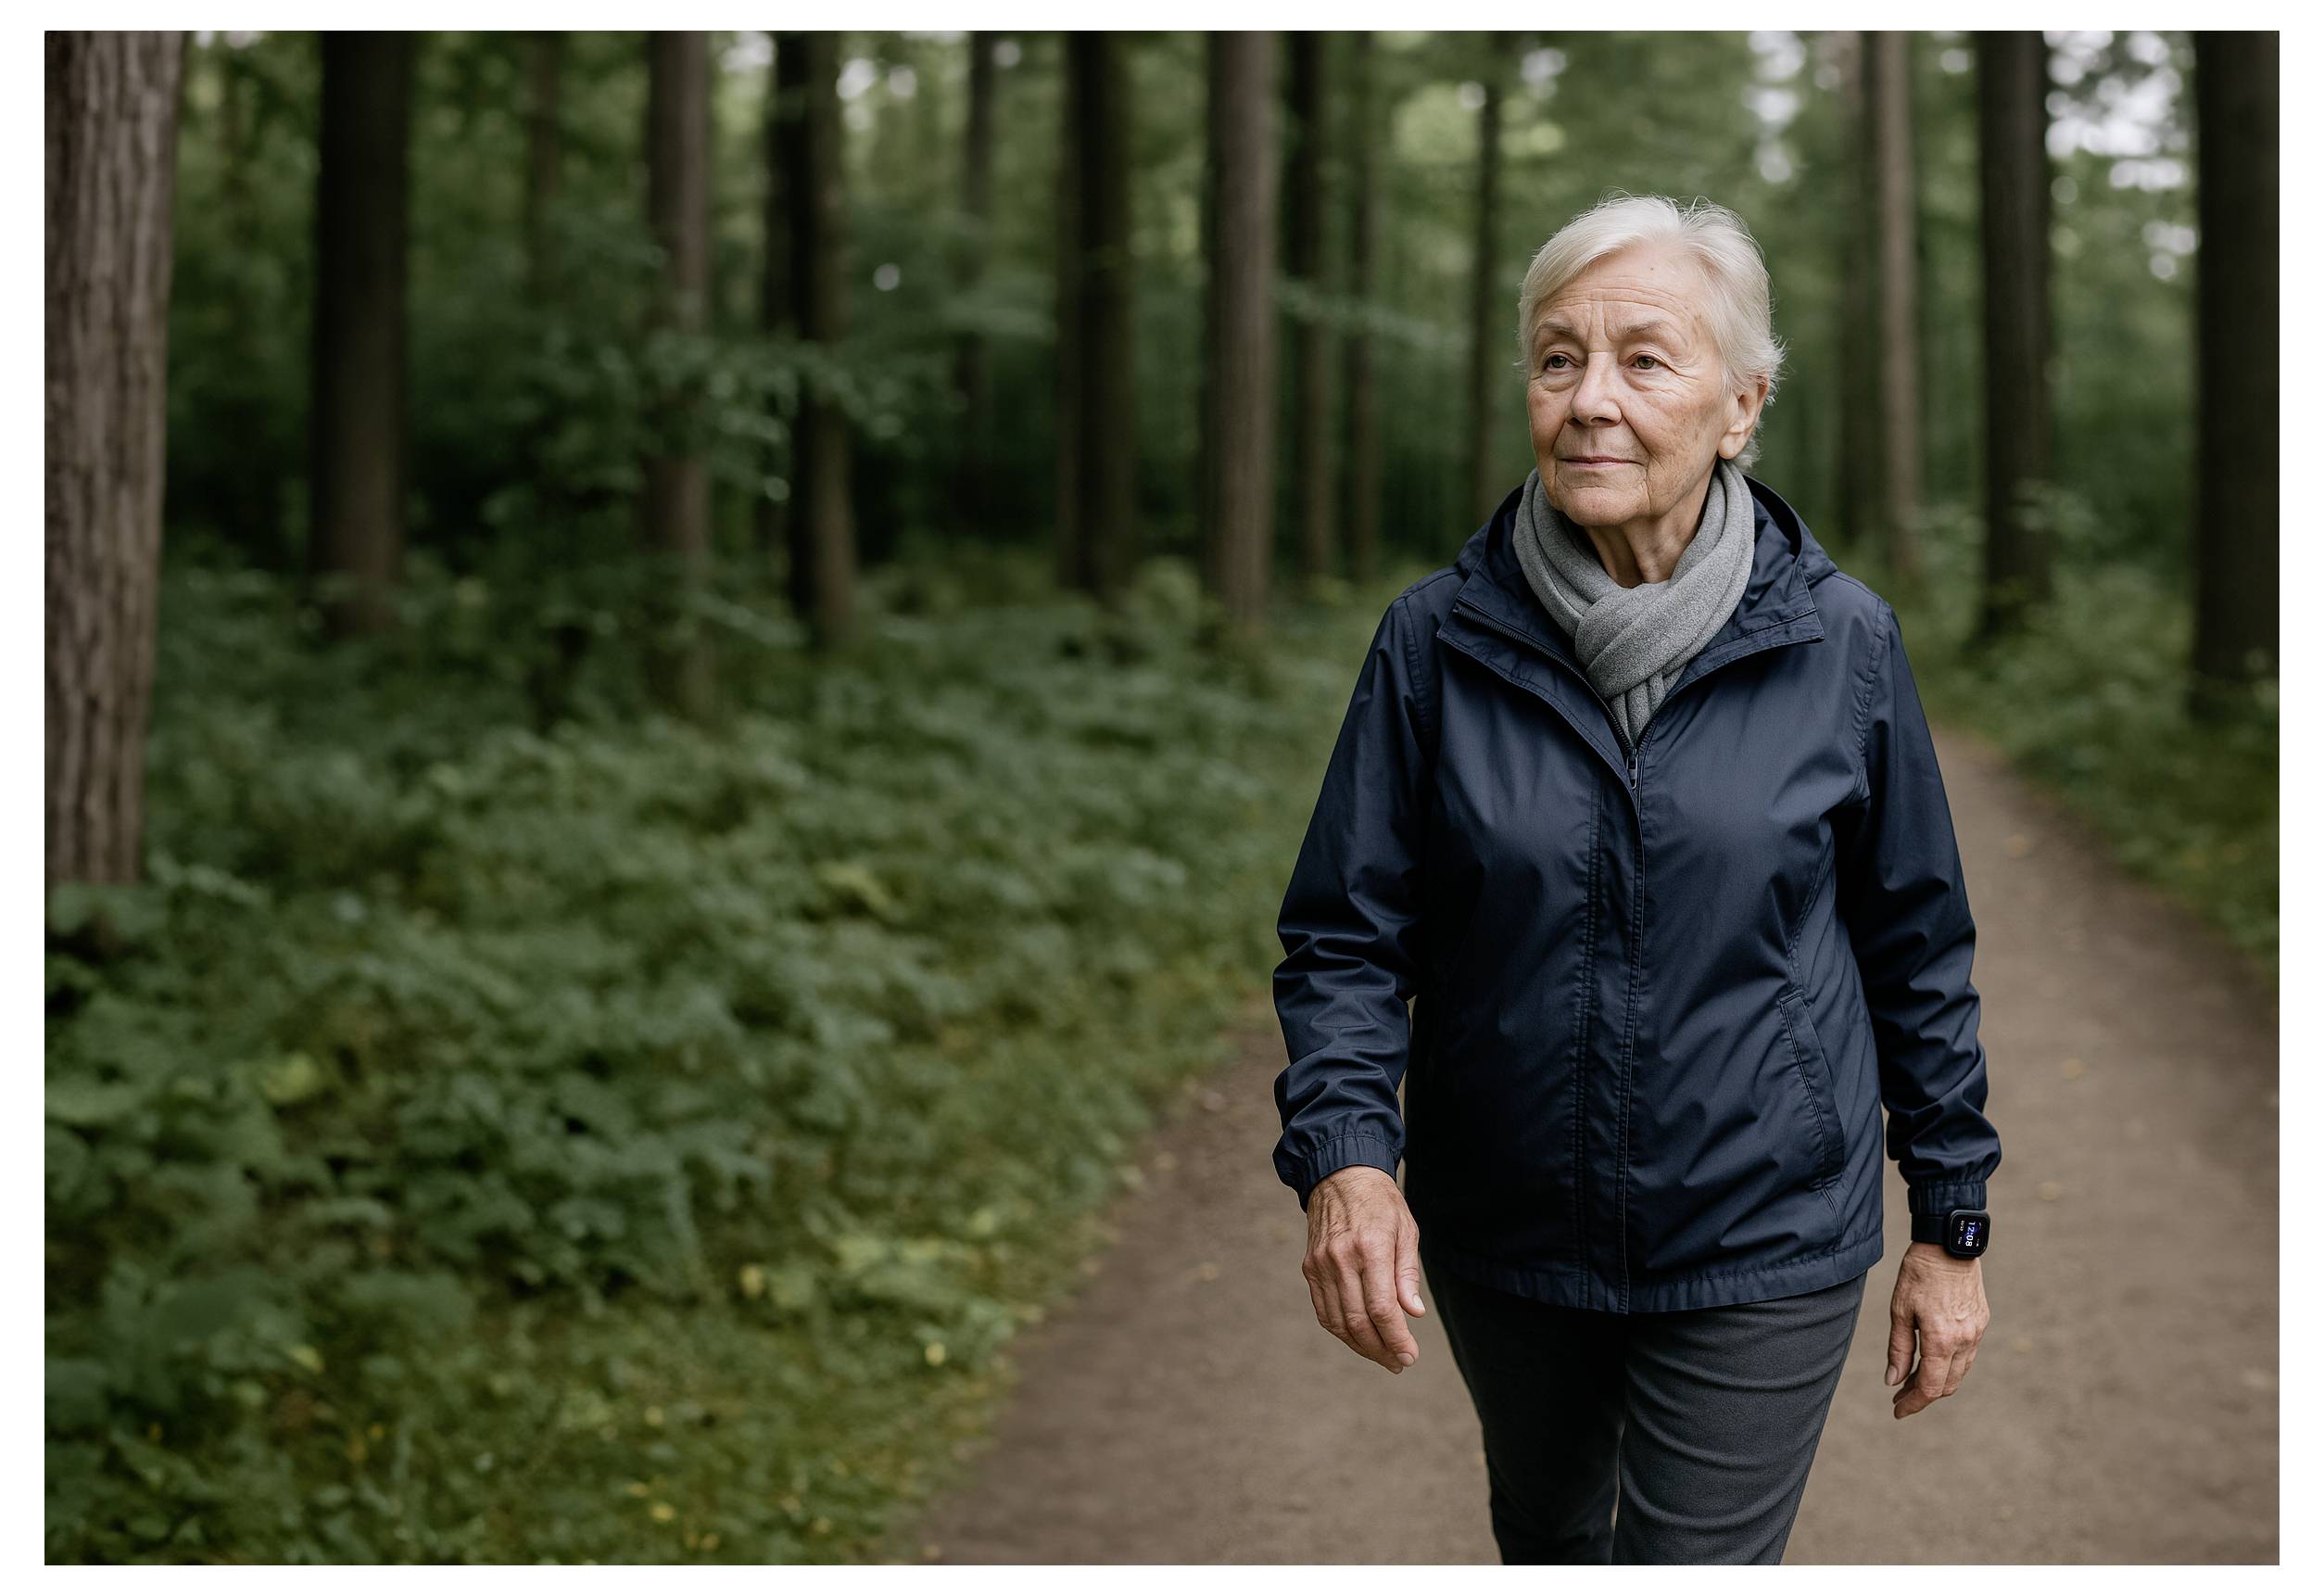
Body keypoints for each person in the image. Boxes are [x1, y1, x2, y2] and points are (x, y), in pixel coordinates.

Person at [1269, 193, 2002, 1565]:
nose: (1590, 399)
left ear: (1739, 405)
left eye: (1643, 360)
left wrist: (1950, 1217)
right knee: (1548, 1539)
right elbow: (1347, 939)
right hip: (1509, 1229)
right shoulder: (1435, 644)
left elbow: (1917, 942)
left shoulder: (1840, 642)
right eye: (1558, 359)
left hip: (1763, 1227)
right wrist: (1348, 1160)